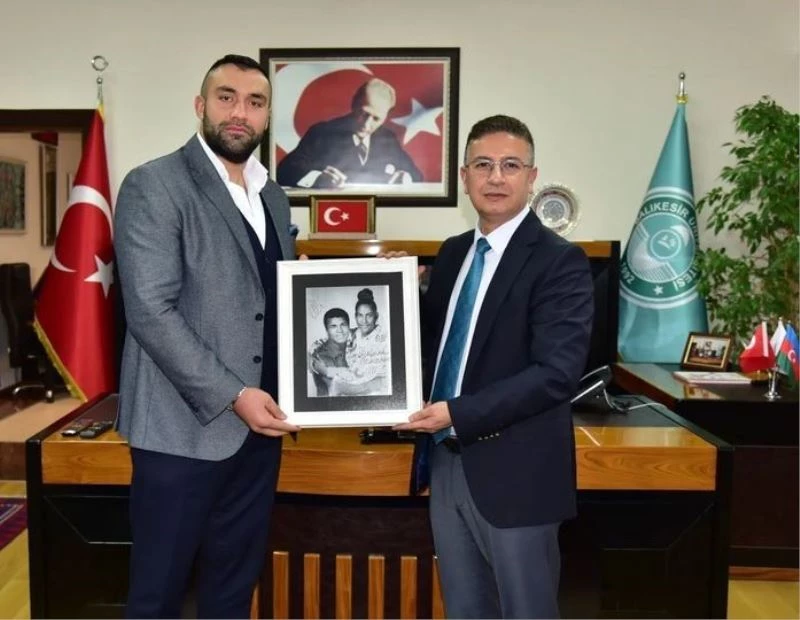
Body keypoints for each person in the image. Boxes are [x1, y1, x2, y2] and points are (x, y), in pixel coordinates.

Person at [114, 54, 301, 618]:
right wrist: (234, 395)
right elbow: (150, 310)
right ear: (200, 106)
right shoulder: (154, 184)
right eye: (226, 98)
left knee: (231, 591)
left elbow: (273, 297)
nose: (240, 112)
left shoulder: (274, 196)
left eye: (255, 102)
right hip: (180, 435)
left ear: (267, 116)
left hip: (259, 434)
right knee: (158, 595)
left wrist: (377, 281)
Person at [395, 115, 594, 618]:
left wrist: (456, 413)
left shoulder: (559, 261)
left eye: (511, 165)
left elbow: (556, 373)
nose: (496, 177)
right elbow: (435, 347)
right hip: (446, 464)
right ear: (465, 177)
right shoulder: (452, 254)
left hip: (517, 476)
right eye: (483, 165)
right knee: (465, 609)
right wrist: (392, 290)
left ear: (532, 176)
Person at [276, 77, 423, 188]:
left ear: (385, 117)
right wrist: (318, 178)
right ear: (354, 105)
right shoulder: (321, 132)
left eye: (376, 118)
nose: (366, 124)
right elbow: (284, 171)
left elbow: (417, 176)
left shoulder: (387, 138)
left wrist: (405, 177)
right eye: (364, 114)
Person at [341, 288, 391, 395]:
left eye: (369, 315)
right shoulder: (353, 334)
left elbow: (384, 380)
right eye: (360, 315)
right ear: (355, 316)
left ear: (376, 316)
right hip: (353, 387)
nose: (364, 321)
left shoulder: (385, 338)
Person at [308, 307, 351, 396]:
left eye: (343, 325)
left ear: (349, 327)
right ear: (327, 330)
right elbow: (343, 386)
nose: (340, 330)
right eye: (333, 326)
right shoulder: (321, 356)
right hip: (330, 403)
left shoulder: (352, 347)